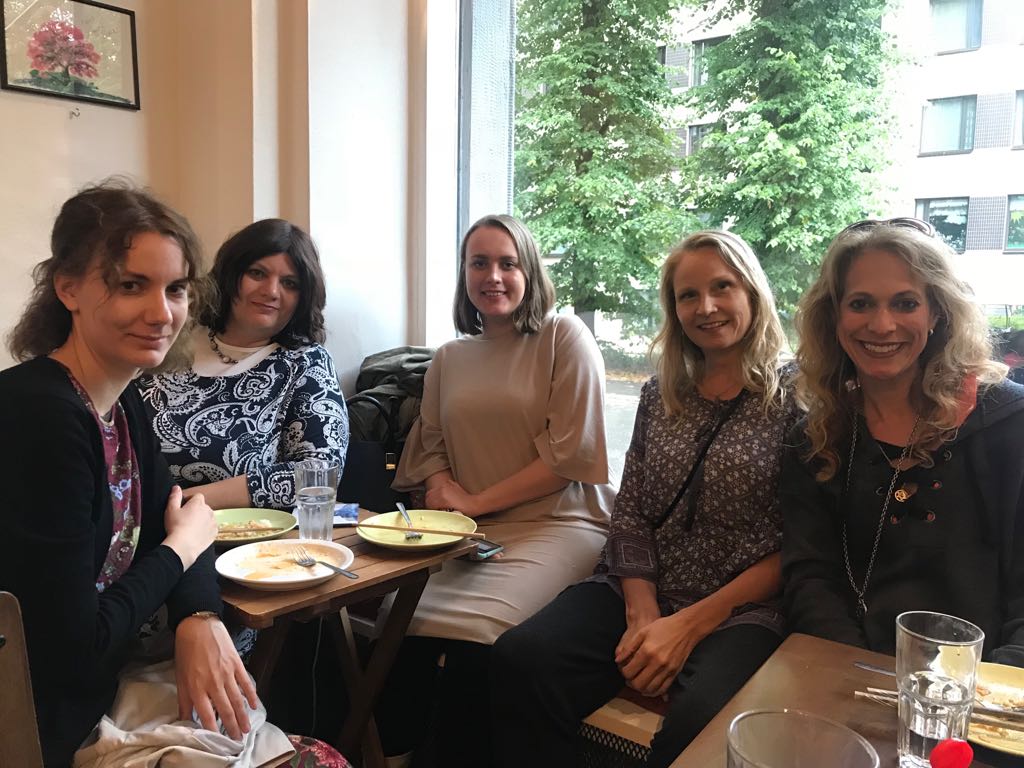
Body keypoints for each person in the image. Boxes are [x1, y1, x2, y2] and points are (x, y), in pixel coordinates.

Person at [0, 182, 347, 767]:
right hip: (45, 722)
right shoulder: (41, 416)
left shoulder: (122, 401)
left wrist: (198, 615)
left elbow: (181, 514)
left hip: (113, 680)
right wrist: (180, 550)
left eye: (176, 288)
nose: (162, 313)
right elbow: (75, 651)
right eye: (130, 285)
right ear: (68, 288)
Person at [490, 230, 801, 767]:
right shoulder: (662, 393)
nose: (706, 307)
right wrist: (642, 613)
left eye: (722, 288)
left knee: (702, 720)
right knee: (522, 659)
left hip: (744, 608)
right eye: (688, 295)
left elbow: (801, 541)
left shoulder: (800, 396)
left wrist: (688, 625)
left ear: (752, 292)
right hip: (643, 585)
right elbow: (631, 509)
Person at [377, 214, 615, 766]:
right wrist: (442, 489)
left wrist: (474, 502)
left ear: (529, 270)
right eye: (479, 263)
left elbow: (570, 457)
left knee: (481, 639)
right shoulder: (450, 357)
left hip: (560, 526)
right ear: (464, 273)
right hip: (471, 534)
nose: (493, 276)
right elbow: (430, 444)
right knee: (396, 621)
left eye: (508, 263)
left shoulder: (563, 336)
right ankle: (389, 754)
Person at [781, 217, 1024, 667]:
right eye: (860, 304)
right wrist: (859, 676)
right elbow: (811, 579)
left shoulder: (1009, 424)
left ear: (937, 313)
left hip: (986, 688)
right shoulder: (816, 439)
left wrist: (988, 692)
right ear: (834, 317)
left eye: (905, 303)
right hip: (851, 674)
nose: (882, 324)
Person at [137, 218, 348, 511]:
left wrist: (180, 503)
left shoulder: (305, 363)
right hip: (129, 526)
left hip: (242, 535)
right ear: (230, 274)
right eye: (257, 273)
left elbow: (319, 475)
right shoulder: (168, 340)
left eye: (290, 283)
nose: (271, 291)